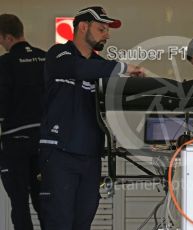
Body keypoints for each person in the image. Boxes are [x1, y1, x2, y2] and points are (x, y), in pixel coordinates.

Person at [38, 6, 145, 230]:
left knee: (83, 222)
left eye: (107, 30)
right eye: (101, 29)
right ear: (82, 27)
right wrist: (124, 67)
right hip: (59, 153)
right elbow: (78, 69)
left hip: (91, 155)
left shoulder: (102, 67)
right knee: (59, 221)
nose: (107, 35)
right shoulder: (59, 54)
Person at [0, 14, 45, 230]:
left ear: (7, 37)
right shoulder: (45, 58)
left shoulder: (5, 63)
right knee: (44, 202)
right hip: (45, 141)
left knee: (19, 203)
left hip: (15, 141)